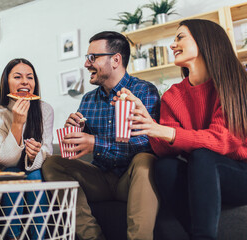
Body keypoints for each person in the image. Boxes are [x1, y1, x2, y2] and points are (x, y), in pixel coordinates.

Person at [113, 19, 247, 240]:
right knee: (165, 166)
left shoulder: (233, 82)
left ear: (205, 41)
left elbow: (222, 140)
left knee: (203, 155)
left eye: (180, 37)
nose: (172, 45)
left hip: (245, 174)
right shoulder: (173, 95)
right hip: (202, 175)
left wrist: (163, 131)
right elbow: (165, 150)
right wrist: (148, 123)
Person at [42, 31, 160, 240]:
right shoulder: (88, 100)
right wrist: (75, 133)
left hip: (130, 179)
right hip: (100, 178)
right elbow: (81, 147)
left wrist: (96, 144)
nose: (87, 64)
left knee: (146, 159)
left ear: (116, 60)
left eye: (93, 58)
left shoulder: (144, 91)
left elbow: (147, 144)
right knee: (52, 163)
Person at [0, 58, 54, 240]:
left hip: (36, 171)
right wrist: (17, 122)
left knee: (34, 175)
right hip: (9, 170)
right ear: (6, 82)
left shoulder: (45, 110)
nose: (25, 81)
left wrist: (33, 156)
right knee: (13, 172)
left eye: (30, 77)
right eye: (17, 77)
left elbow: (47, 151)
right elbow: (5, 159)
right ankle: (14, 236)